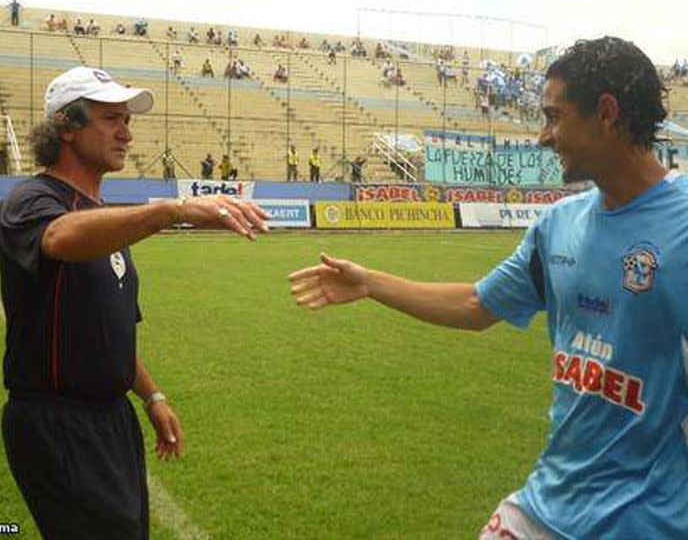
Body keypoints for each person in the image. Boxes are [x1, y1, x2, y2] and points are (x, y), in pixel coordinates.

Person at [289, 37, 687, 539]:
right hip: (545, 507)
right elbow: (479, 304)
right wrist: (369, 283)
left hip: (646, 522)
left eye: (554, 116)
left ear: (606, 112)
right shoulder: (557, 226)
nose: (545, 136)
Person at [0, 66, 268, 539]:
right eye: (109, 119)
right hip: (58, 422)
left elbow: (110, 329)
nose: (126, 132)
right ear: (66, 124)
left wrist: (151, 395)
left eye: (127, 119)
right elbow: (58, 238)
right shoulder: (31, 199)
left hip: (112, 419)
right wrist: (171, 209)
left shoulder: (105, 220)